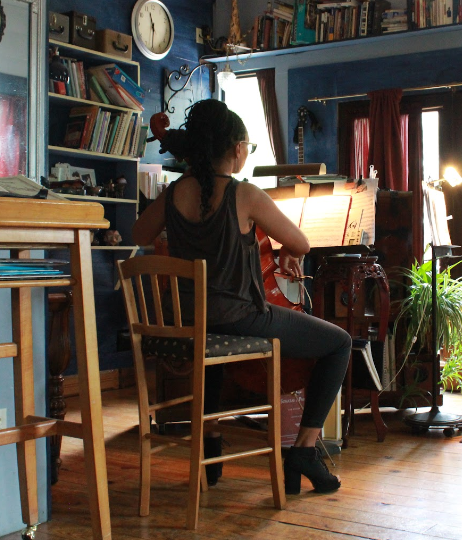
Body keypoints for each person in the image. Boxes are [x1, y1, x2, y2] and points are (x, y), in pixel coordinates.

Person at [133, 99, 351, 493]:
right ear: (235, 149)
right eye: (247, 148)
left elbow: (137, 236)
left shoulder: (173, 193)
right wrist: (287, 249)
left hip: (189, 321)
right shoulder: (245, 194)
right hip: (240, 317)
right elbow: (300, 242)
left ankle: (211, 438)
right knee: (339, 343)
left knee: (213, 332)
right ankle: (303, 449)